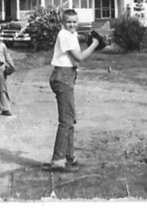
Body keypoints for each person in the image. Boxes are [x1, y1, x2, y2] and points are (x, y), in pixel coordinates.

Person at [48, 9, 99, 171]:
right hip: (63, 76)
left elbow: (76, 55)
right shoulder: (64, 35)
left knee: (70, 119)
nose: (72, 24)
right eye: (68, 21)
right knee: (66, 121)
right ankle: (58, 159)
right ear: (63, 22)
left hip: (67, 75)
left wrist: (92, 40)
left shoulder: (71, 35)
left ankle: (69, 157)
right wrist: (95, 44)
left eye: (74, 21)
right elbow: (80, 57)